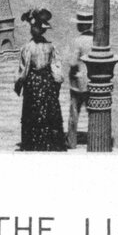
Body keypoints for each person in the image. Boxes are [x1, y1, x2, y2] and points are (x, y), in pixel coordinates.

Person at [14, 9, 68, 150]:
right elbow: (56, 68)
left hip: (33, 84)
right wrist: (57, 84)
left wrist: (19, 84)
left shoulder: (28, 48)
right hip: (47, 83)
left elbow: (23, 70)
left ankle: (32, 143)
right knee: (49, 112)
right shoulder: (51, 46)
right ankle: (50, 142)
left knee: (32, 113)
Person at [66, 7, 93, 144]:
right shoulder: (95, 40)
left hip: (77, 82)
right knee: (92, 112)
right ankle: (94, 138)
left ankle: (71, 141)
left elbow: (72, 62)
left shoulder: (78, 41)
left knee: (74, 112)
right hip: (92, 82)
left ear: (81, 25)